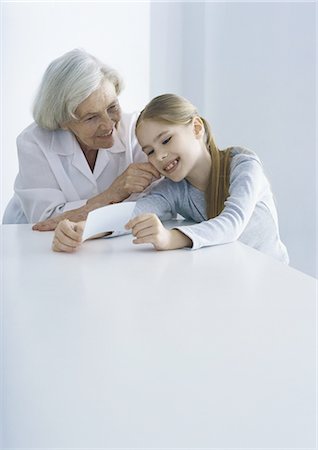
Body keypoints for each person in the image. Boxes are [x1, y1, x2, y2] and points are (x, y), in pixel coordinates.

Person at [51, 93, 289, 264]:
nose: (160, 156)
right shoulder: (174, 189)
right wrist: (84, 230)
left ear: (196, 128)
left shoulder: (243, 165)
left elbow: (232, 223)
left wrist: (169, 238)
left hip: (273, 279)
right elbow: (134, 212)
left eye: (166, 140)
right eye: (150, 151)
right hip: (231, 278)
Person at [2, 49, 160, 227]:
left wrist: (88, 212)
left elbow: (160, 201)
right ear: (63, 121)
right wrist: (112, 195)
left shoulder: (136, 129)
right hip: (27, 240)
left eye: (112, 107)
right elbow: (45, 221)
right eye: (91, 118)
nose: (109, 125)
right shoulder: (33, 143)